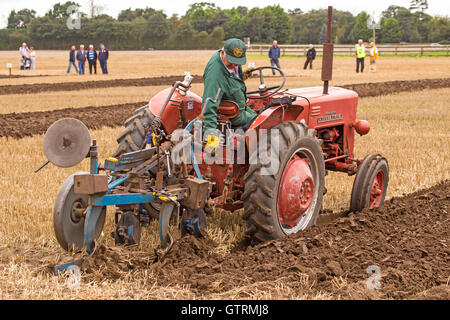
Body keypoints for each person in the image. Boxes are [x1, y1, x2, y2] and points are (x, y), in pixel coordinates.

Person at [201, 38, 257, 152]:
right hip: (235, 116)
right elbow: (209, 104)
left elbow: (231, 78)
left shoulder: (233, 61)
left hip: (241, 107)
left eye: (237, 62)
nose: (234, 65)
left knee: (260, 113)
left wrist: (241, 75)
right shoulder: (215, 75)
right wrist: (211, 137)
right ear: (223, 52)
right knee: (262, 121)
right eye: (231, 61)